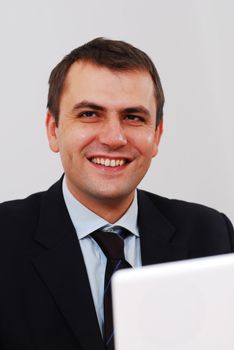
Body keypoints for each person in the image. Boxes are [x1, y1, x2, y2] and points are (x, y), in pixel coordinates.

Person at [0, 38, 233, 350]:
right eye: (89, 114)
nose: (114, 138)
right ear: (53, 129)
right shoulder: (4, 238)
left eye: (133, 117)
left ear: (157, 135)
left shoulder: (211, 235)